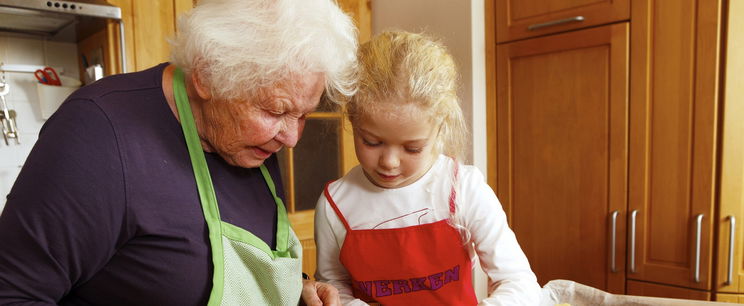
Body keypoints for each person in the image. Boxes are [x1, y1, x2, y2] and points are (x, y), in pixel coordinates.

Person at [0, 0, 357, 305]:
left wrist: (297, 291)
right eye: (275, 111)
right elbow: (13, 293)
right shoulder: (98, 134)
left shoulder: (252, 144)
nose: (292, 137)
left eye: (304, 114)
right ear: (206, 74)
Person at [313, 31, 541, 305]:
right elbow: (332, 287)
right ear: (352, 120)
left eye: (412, 148)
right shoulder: (334, 205)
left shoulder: (463, 188)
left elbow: (519, 281)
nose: (389, 162)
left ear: (439, 130)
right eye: (372, 142)